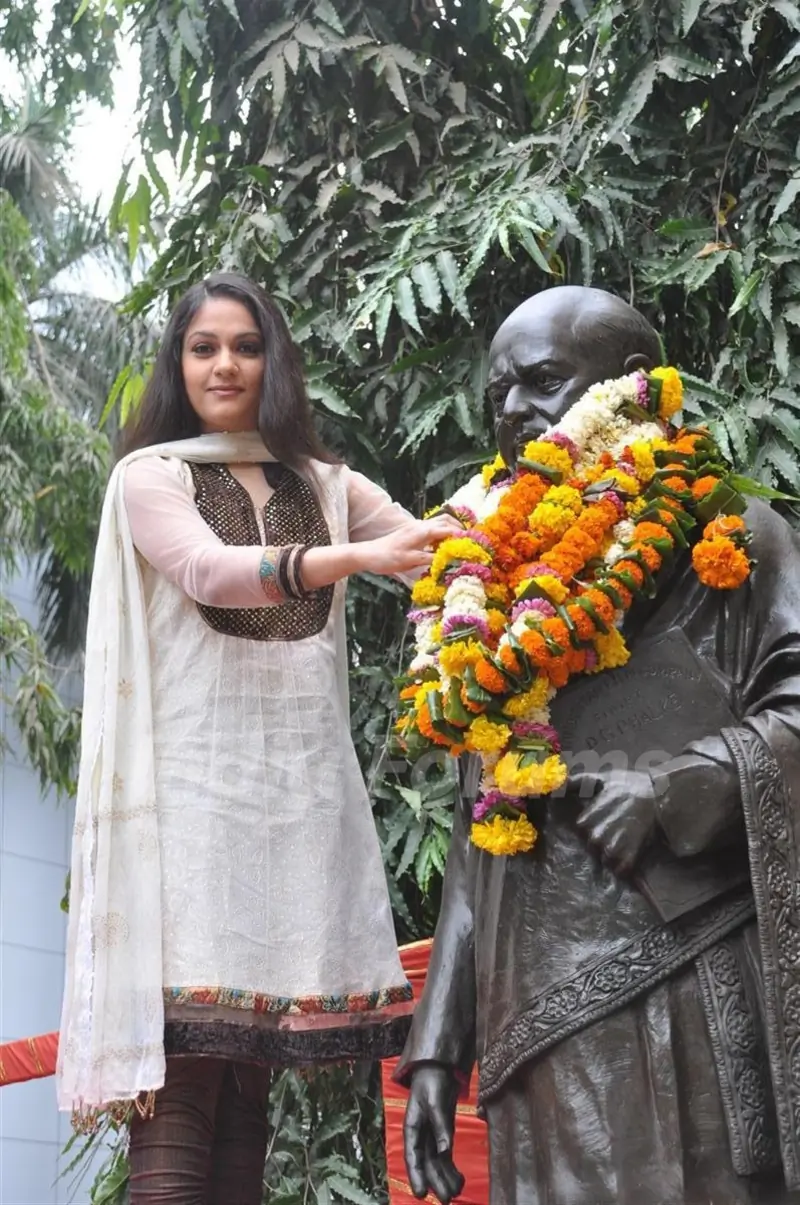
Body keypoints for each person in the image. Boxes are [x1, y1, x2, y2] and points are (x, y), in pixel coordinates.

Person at [56, 271, 460, 1205]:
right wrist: (356, 555)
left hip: (293, 810)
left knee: (249, 1104)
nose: (226, 364)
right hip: (189, 813)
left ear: (275, 361)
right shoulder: (148, 478)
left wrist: (538, 517)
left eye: (246, 345)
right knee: (182, 1091)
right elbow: (209, 569)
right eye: (205, 348)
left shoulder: (324, 482)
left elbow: (438, 548)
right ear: (178, 364)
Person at [398, 286, 800, 1205]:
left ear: (630, 384)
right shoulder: (490, 609)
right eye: (496, 395)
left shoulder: (730, 542)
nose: (510, 414)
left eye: (540, 381)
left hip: (686, 970)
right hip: (528, 1017)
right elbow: (474, 829)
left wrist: (679, 790)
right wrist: (437, 1050)